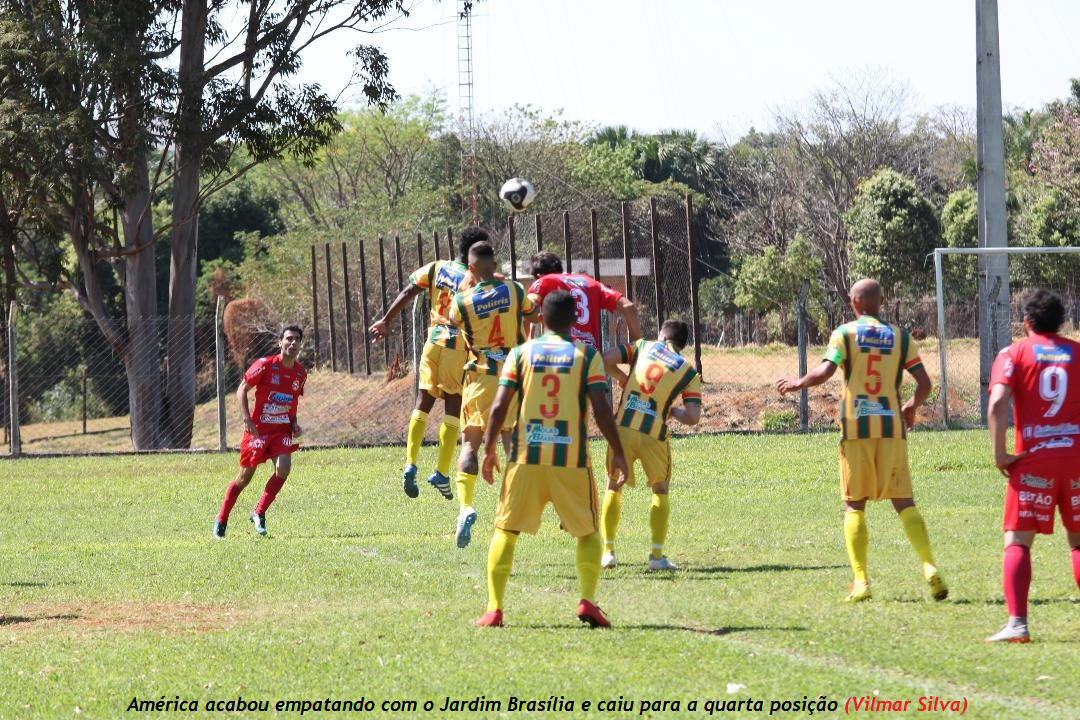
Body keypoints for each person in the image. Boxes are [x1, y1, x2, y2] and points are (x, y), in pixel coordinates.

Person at [776, 278, 947, 603]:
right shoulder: (900, 337)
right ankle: (928, 566)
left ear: (854, 302)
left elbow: (826, 372)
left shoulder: (845, 334)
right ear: (881, 302)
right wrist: (911, 407)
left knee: (854, 504)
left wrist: (798, 382)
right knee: (904, 502)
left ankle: (861, 581)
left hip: (857, 429)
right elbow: (924, 382)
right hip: (892, 427)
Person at [476, 291, 630, 628]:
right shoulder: (585, 355)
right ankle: (588, 601)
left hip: (525, 457)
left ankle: (494, 609)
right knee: (589, 533)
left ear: (541, 319)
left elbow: (500, 405)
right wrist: (618, 451)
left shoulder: (520, 353)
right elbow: (602, 409)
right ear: (574, 321)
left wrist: (487, 447)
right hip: (570, 460)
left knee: (506, 529)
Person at [984, 289, 1080, 643]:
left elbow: (996, 405)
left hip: (1033, 458)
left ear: (1026, 322)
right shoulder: (1078, 353)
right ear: (1062, 322)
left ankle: (1018, 624)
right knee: (1079, 543)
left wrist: (1000, 454)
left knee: (1018, 541)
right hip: (1076, 459)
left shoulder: (1013, 353)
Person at [369, 227, 488, 500]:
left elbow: (410, 290)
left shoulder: (437, 268)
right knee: (453, 404)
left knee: (422, 402)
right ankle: (442, 472)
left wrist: (386, 320)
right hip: (456, 345)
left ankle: (410, 463)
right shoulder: (475, 280)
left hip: (432, 342)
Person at [447, 242, 538, 549]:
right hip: (512, 378)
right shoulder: (513, 290)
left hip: (480, 377)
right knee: (511, 442)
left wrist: (471, 284)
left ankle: (466, 506)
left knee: (470, 444)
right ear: (494, 264)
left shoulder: (462, 301)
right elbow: (534, 312)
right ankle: (510, 507)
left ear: (471, 269)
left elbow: (452, 321)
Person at [599, 320, 702, 571]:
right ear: (681, 344)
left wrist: (622, 378)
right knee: (660, 490)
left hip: (622, 427)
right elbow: (693, 418)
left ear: (662, 335)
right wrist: (673, 411)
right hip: (653, 434)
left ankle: (608, 552)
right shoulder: (688, 371)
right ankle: (656, 557)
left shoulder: (643, 346)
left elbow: (603, 359)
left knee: (614, 484)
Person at [215, 326, 307, 538]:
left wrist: (294, 423)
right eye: (289, 339)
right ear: (280, 343)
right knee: (244, 478)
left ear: (300, 345)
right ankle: (221, 519)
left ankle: (259, 512)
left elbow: (292, 402)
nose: (293, 343)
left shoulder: (300, 373)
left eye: (297, 340)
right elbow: (242, 389)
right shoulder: (265, 365)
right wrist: (246, 418)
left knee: (283, 469)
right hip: (258, 431)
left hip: (281, 430)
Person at [526, 251, 642, 348]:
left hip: (560, 355)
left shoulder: (544, 281)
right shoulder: (591, 283)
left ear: (538, 276)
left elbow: (526, 309)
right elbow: (629, 307)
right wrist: (636, 349)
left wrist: (525, 342)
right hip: (589, 358)